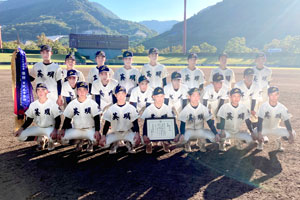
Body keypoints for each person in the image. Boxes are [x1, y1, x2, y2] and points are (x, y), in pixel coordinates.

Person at [14, 83, 62, 151]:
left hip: (50, 128)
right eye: (38, 90)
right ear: (36, 92)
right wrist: (20, 129)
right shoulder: (33, 105)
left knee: (56, 141)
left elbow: (58, 119)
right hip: (38, 128)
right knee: (20, 136)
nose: (40, 92)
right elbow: (29, 120)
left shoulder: (53, 104)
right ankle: (40, 139)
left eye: (43, 90)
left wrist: (55, 130)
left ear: (47, 92)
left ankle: (50, 141)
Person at [58, 82, 101, 152]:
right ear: (77, 91)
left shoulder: (92, 103)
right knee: (63, 139)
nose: (82, 92)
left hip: (90, 129)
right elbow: (67, 119)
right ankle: (80, 141)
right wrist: (63, 129)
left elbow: (97, 118)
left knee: (96, 140)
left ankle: (90, 142)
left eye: (84, 90)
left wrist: (97, 131)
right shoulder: (72, 103)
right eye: (79, 90)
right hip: (78, 129)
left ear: (87, 91)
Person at [99, 85, 141, 154]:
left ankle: (128, 143)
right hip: (115, 132)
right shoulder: (111, 108)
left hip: (127, 132)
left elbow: (135, 123)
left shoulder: (131, 107)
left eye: (122, 93)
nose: (121, 96)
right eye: (118, 94)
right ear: (115, 95)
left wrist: (137, 134)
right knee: (104, 144)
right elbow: (107, 123)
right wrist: (103, 136)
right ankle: (115, 143)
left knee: (138, 141)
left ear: (125, 94)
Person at [178, 88, 219, 152]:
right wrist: (182, 134)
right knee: (182, 139)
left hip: (200, 130)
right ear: (189, 97)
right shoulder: (186, 109)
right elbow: (182, 124)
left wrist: (216, 133)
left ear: (199, 97)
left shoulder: (203, 108)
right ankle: (187, 143)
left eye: (197, 95)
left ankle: (201, 142)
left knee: (214, 138)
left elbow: (210, 123)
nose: (196, 98)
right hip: (189, 130)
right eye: (193, 95)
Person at [255, 87, 296, 151]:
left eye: (276, 94)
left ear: (278, 95)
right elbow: (259, 122)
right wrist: (259, 134)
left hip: (276, 128)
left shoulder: (282, 107)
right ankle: (260, 143)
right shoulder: (263, 106)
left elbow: (287, 121)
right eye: (272, 95)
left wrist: (291, 135)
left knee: (293, 133)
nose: (274, 97)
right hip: (264, 129)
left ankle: (278, 141)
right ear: (268, 95)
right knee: (254, 134)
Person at [141, 87, 178, 154]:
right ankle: (149, 144)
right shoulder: (149, 109)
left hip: (163, 131)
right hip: (153, 131)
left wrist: (176, 133)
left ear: (164, 96)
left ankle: (165, 142)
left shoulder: (167, 108)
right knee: (144, 139)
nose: (160, 98)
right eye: (157, 96)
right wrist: (144, 135)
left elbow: (173, 122)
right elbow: (145, 124)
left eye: (161, 96)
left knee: (171, 131)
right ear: (153, 97)